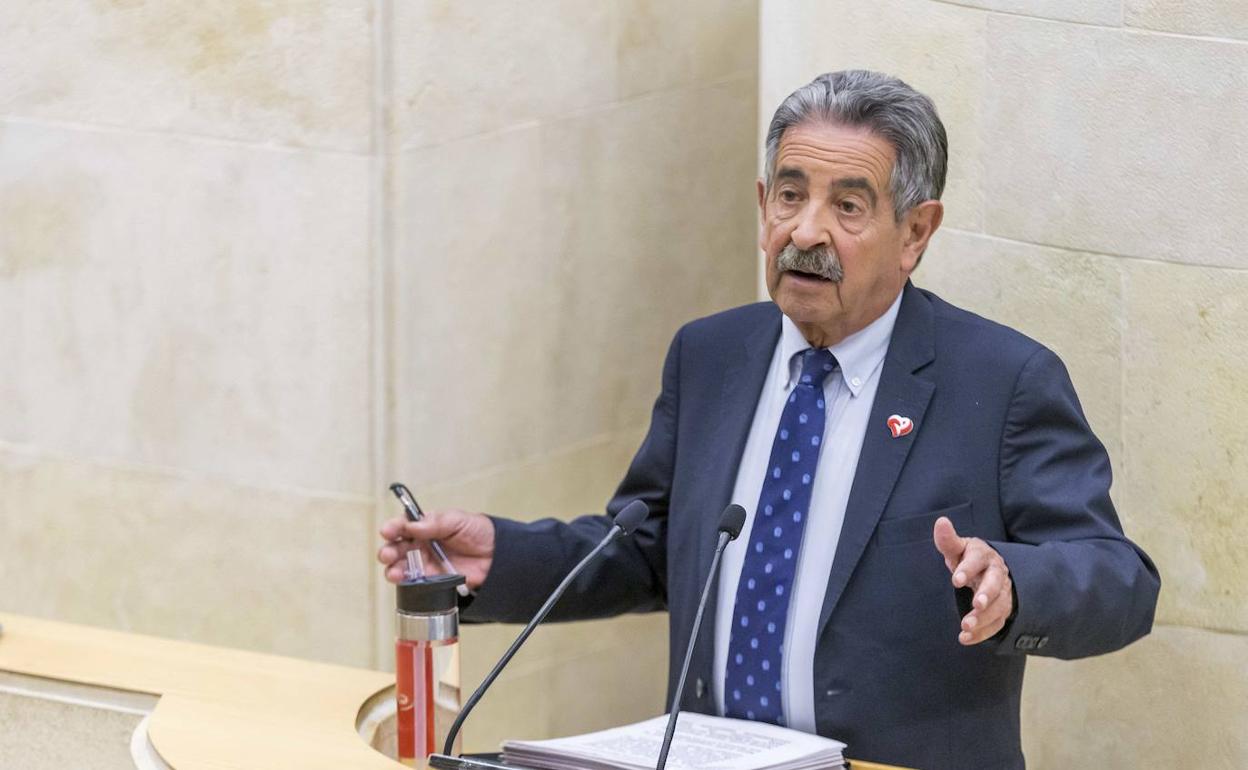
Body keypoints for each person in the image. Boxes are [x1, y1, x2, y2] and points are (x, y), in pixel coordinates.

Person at [377, 70, 1159, 770]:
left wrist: (1016, 583)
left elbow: (1122, 581)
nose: (806, 232)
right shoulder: (711, 355)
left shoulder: (1001, 381)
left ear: (916, 233)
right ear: (762, 207)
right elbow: (652, 548)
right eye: (790, 196)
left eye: (847, 206)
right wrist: (500, 559)